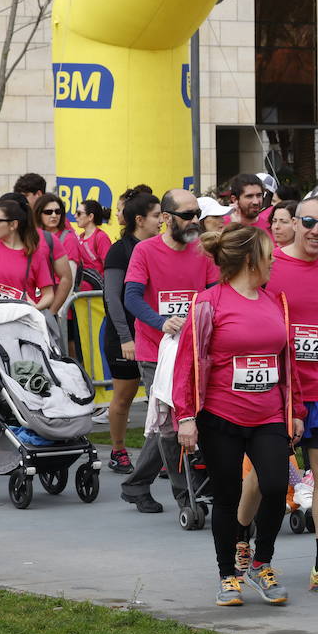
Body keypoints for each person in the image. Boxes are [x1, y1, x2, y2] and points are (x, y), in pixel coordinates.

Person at [174, 224, 300, 607]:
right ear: (250, 260)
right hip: (221, 417)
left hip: (269, 416)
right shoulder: (209, 302)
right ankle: (228, 574)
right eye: (268, 254)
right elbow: (188, 363)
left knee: (277, 486)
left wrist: (295, 411)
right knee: (227, 495)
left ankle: (261, 564)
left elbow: (287, 362)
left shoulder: (276, 301)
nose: (274, 260)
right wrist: (185, 416)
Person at [253, 196, 318, 596]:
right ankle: (245, 551)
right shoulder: (271, 266)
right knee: (266, 478)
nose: (317, 231)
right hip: (278, 388)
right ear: (294, 223)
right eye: (310, 222)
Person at [120, 188, 215, 514]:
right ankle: (185, 497)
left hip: (196, 350)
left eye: (197, 215)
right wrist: (161, 322)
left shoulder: (203, 252)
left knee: (167, 423)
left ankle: (134, 484)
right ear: (166, 218)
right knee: (172, 425)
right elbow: (131, 298)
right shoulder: (145, 251)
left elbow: (215, 292)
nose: (194, 222)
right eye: (187, 216)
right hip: (155, 351)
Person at [101, 191, 162, 475]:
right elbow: (113, 298)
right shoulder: (120, 249)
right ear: (139, 220)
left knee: (160, 398)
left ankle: (164, 454)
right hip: (124, 336)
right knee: (124, 397)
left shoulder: (161, 248)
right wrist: (126, 338)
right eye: (156, 216)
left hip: (155, 335)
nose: (162, 221)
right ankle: (118, 450)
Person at [0, 198, 54, 308]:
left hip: (22, 320)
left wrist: (35, 308)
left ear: (13, 225)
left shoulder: (35, 254)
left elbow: (49, 294)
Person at [34, 193, 84, 295]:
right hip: (35, 300)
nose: (54, 215)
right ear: (39, 214)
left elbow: (69, 280)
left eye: (57, 211)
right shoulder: (33, 236)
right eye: (48, 212)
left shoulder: (68, 239)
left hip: (57, 301)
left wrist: (57, 310)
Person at [74, 200, 112, 280]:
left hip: (97, 289)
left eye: (79, 213)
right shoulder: (80, 237)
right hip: (81, 286)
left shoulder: (101, 237)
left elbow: (109, 269)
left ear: (90, 217)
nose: (75, 216)